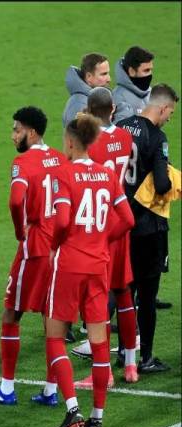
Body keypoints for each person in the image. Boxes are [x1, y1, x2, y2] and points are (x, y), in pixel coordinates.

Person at [45, 114, 134, 427]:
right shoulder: (108, 175)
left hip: (69, 265)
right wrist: (101, 238)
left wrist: (55, 246)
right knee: (99, 343)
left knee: (54, 336)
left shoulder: (64, 173)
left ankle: (72, 410)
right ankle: (97, 417)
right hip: (99, 265)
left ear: (70, 142)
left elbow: (63, 219)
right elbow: (127, 219)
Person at [0, 107, 68, 406]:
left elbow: (16, 199)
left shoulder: (23, 162)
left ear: (31, 132)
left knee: (11, 313)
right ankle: (51, 390)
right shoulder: (60, 159)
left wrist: (21, 232)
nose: (13, 136)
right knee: (52, 318)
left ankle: (6, 389)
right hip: (59, 250)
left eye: (17, 130)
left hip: (34, 248)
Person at [72, 87, 138, 386]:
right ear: (113, 109)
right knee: (124, 294)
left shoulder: (89, 144)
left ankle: (104, 372)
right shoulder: (125, 137)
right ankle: (131, 365)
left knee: (98, 301)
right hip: (122, 222)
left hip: (99, 226)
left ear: (88, 110)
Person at [117, 83, 178, 373]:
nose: (170, 118)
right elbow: (162, 184)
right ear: (163, 107)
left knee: (124, 291)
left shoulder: (120, 128)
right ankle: (146, 358)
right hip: (147, 228)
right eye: (171, 113)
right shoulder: (157, 137)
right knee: (148, 295)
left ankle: (123, 353)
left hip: (119, 223)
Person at [62, 53, 111, 127]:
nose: (109, 79)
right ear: (89, 76)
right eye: (103, 74)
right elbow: (79, 137)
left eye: (108, 73)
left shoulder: (97, 99)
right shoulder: (79, 105)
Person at [113, 46, 154, 123]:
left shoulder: (150, 92)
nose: (150, 74)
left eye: (151, 70)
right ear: (132, 71)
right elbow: (122, 132)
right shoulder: (118, 98)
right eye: (146, 70)